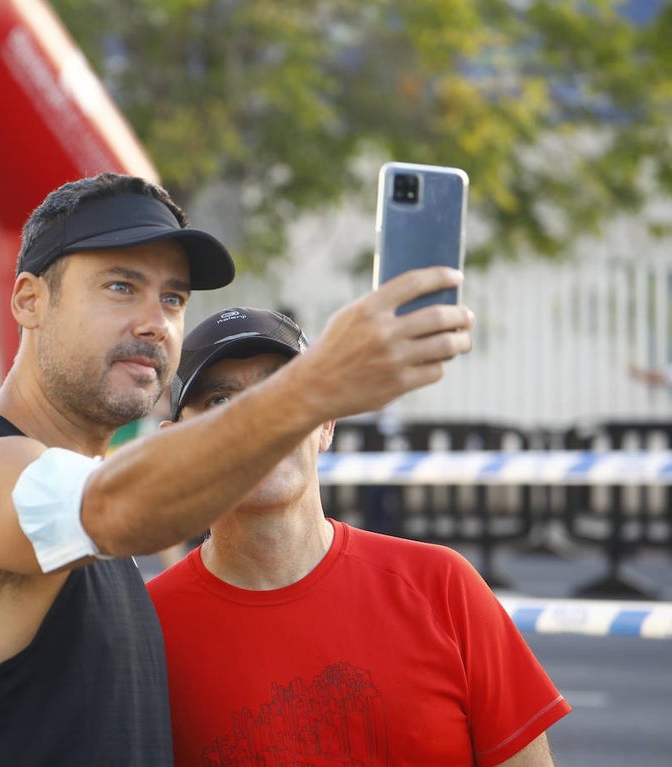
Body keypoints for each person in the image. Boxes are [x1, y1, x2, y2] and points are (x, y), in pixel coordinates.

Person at [0, 171, 475, 765]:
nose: (154, 322)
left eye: (173, 297)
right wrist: (313, 386)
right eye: (120, 287)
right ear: (29, 300)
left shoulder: (84, 492)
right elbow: (117, 507)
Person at [148, 306, 571, 767]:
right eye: (221, 402)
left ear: (327, 422)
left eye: (283, 392)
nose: (260, 422)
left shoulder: (442, 587)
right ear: (176, 443)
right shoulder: (144, 629)